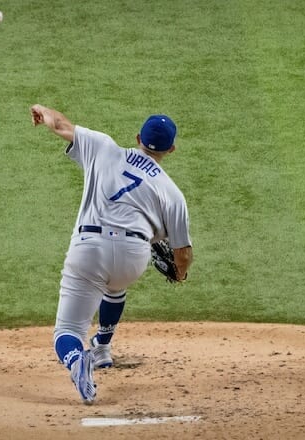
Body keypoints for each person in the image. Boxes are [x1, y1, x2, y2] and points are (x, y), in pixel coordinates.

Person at [30, 104, 193, 404]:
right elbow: (182, 253)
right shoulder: (172, 193)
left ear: (138, 138)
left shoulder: (103, 146)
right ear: (171, 150)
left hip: (89, 250)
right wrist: (180, 274)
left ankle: (77, 359)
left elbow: (61, 124)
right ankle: (102, 347)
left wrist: (42, 110)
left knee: (67, 330)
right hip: (133, 257)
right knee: (114, 285)